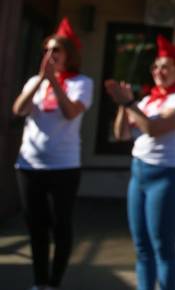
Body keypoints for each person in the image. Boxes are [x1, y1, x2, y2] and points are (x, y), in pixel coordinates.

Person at [104, 35, 175, 290]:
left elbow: (153, 128)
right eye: (156, 66)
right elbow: (121, 134)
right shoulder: (148, 100)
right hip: (140, 173)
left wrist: (129, 102)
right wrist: (124, 105)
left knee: (162, 246)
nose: (158, 71)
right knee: (141, 246)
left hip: (167, 176)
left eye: (165, 66)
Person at [12, 18, 93, 290]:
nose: (50, 55)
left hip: (64, 166)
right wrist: (40, 82)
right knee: (36, 227)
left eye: (56, 50)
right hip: (29, 165)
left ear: (69, 54)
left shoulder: (82, 83)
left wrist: (55, 83)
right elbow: (19, 109)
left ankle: (55, 282)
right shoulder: (35, 80)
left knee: (61, 225)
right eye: (47, 50)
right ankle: (40, 282)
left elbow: (71, 112)